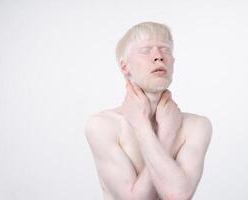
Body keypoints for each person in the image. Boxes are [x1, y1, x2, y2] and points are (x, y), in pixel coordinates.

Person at [85, 21, 212, 200]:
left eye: (165, 49)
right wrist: (144, 126)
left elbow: (178, 196)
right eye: (145, 50)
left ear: (173, 63)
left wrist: (167, 132)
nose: (158, 56)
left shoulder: (197, 126)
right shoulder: (102, 125)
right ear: (124, 67)